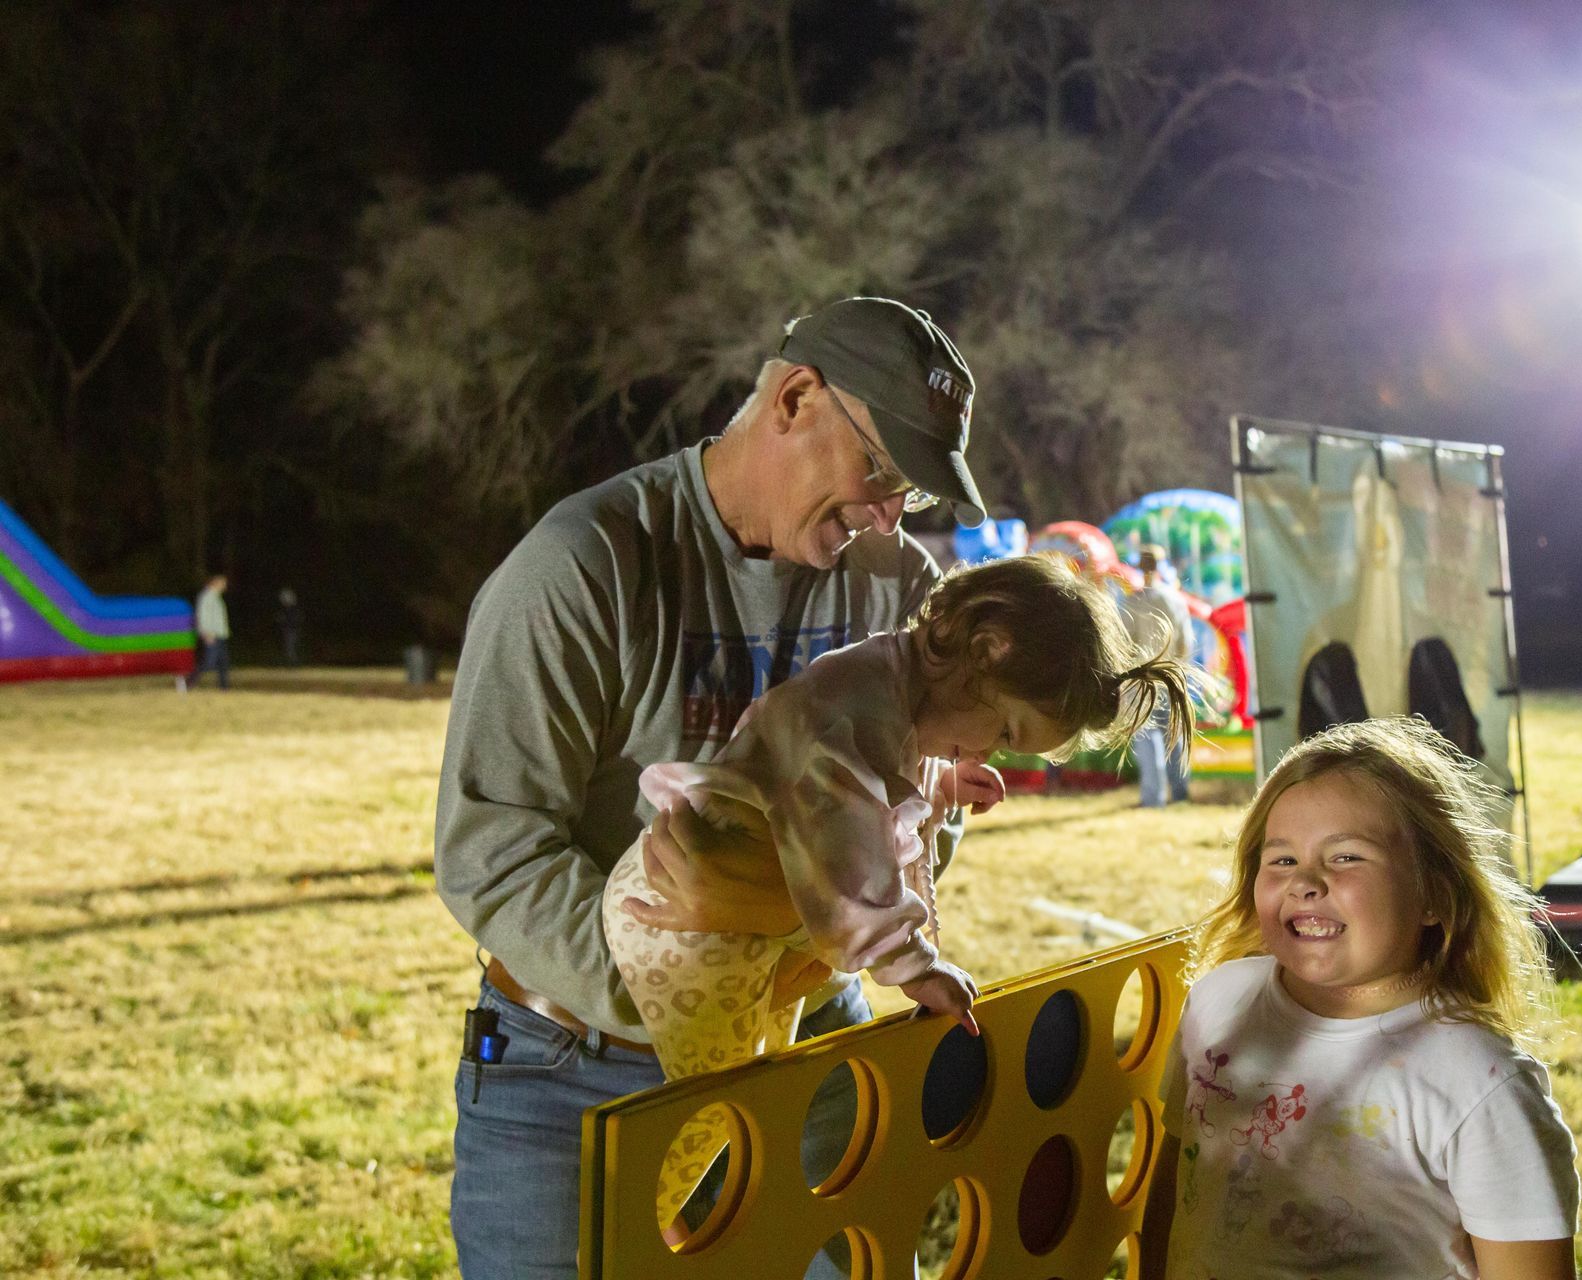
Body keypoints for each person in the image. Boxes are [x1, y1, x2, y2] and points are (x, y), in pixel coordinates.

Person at [434, 296, 988, 1279]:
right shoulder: (584, 565)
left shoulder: (896, 582)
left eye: (914, 493)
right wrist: (693, 988)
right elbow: (495, 848)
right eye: (882, 471)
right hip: (578, 1073)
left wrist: (782, 937)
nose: (888, 514)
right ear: (796, 399)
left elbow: (912, 820)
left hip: (810, 1043)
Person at [604, 553, 1194, 1228]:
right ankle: (648, 1228)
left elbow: (876, 776)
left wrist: (940, 784)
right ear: (989, 649)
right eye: (1004, 734)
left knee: (747, 1096)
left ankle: (677, 1225)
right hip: (684, 922)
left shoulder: (885, 687)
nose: (988, 755)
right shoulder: (857, 708)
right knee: (702, 1118)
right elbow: (848, 846)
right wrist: (913, 964)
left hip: (719, 913)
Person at [1139, 717, 1579, 1279]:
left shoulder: (1480, 1084)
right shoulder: (1218, 1003)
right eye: (1282, 860)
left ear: (1435, 895)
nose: (1307, 881)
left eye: (1345, 856)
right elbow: (1175, 1187)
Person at [1124, 544, 1194, 806]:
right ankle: (1180, 791)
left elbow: (1126, 641)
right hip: (1172, 673)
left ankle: (1153, 797)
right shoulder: (1175, 598)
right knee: (1173, 734)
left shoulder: (1134, 600)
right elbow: (1186, 641)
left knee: (1147, 736)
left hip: (1142, 677)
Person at [187, 574, 231, 689]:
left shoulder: (216, 597)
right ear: (215, 583)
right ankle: (189, 682)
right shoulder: (207, 596)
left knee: (223, 663)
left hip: (220, 634)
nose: (225, 586)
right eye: (223, 583)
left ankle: (224, 688)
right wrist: (206, 633)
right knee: (209, 662)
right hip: (212, 634)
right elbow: (202, 616)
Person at [275, 587, 303, 667]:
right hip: (288, 630)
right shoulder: (287, 610)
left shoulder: (293, 610)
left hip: (292, 630)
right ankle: (291, 663)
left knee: (290, 647)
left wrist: (283, 620)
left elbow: (296, 620)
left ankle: (293, 664)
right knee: (288, 647)